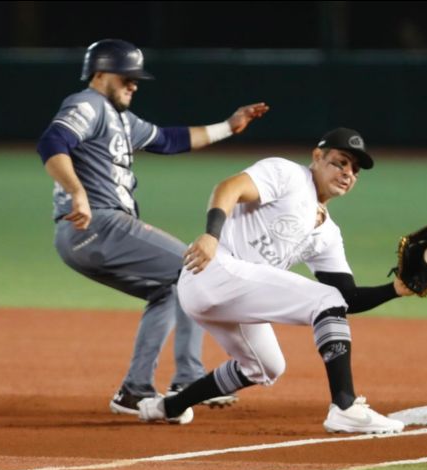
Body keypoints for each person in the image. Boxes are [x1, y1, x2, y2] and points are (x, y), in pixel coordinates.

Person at [35, 39, 269, 416]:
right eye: (127, 77)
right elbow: (52, 142)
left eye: (137, 78)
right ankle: (190, 379)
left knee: (170, 291)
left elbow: (169, 140)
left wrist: (229, 126)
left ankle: (134, 390)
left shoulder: (122, 120)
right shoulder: (87, 104)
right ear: (101, 73)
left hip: (86, 235)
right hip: (98, 222)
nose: (134, 84)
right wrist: (76, 191)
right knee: (197, 266)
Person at [136, 127, 414, 433]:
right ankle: (344, 406)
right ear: (317, 157)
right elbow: (228, 188)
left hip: (234, 293)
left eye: (355, 170)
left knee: (266, 367)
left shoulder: (329, 235)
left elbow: (345, 298)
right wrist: (211, 235)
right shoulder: (288, 174)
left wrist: (396, 289)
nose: (348, 173)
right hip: (212, 270)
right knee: (325, 299)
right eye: (341, 162)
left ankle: (171, 405)